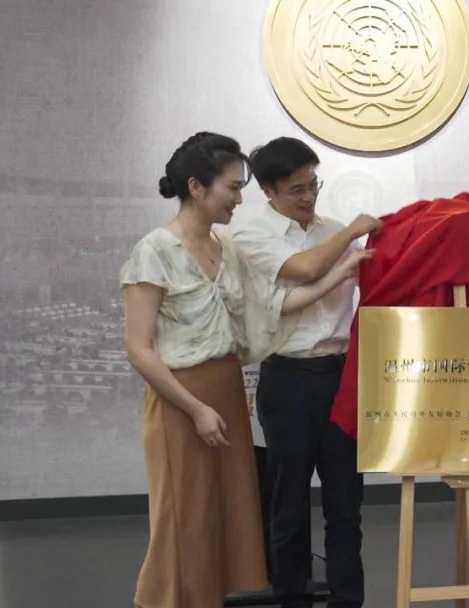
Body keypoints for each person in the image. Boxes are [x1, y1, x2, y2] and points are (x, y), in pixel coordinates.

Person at [121, 132, 370, 608]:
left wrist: (343, 269)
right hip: (195, 393)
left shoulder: (225, 247)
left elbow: (270, 307)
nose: (238, 198)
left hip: (233, 388)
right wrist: (196, 409)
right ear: (196, 187)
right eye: (233, 188)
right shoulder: (165, 248)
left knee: (229, 513)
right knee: (191, 514)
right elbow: (140, 349)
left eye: (313, 185)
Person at [231, 137, 380, 608]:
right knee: (289, 504)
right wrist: (351, 235)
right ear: (268, 191)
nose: (309, 196)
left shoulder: (334, 231)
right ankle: (292, 597)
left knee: (346, 505)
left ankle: (348, 598)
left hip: (340, 376)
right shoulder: (252, 237)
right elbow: (304, 269)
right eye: (296, 189)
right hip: (289, 381)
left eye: (313, 184)